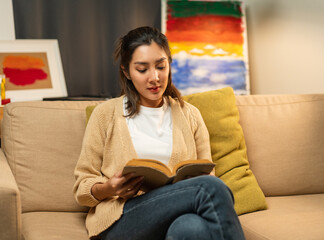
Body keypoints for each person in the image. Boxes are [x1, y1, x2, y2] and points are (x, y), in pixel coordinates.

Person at [73, 26, 245, 240]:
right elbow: (82, 189)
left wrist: (198, 179)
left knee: (191, 229)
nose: (154, 77)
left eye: (161, 67)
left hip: (177, 213)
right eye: (142, 69)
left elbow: (208, 173)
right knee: (209, 189)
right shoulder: (104, 115)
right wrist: (109, 188)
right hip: (122, 219)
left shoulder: (190, 115)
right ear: (126, 71)